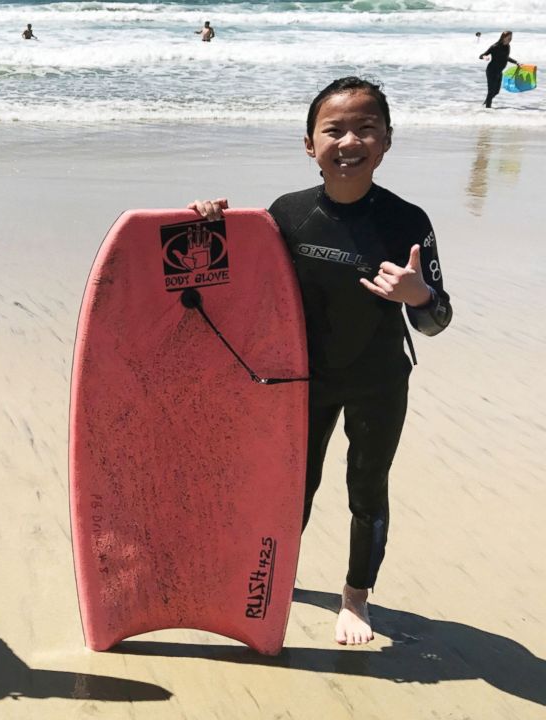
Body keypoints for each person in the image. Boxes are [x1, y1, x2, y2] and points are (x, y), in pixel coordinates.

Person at [189, 77, 452, 646]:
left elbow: (437, 320)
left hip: (378, 381)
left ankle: (356, 597)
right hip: (299, 382)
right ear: (309, 144)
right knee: (289, 489)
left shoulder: (408, 223)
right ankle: (277, 576)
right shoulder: (286, 214)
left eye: (366, 128)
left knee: (367, 488)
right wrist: (210, 222)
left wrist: (419, 297)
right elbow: (228, 281)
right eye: (333, 129)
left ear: (386, 142)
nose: (349, 140)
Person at [480, 31, 519, 108]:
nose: (510, 39)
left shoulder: (507, 46)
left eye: (511, 37)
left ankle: (486, 103)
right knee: (491, 91)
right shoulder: (495, 47)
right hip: (491, 71)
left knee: (496, 91)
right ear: (503, 37)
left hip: (499, 72)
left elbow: (506, 57)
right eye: (508, 37)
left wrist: (516, 62)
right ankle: (487, 110)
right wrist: (485, 57)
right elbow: (481, 55)